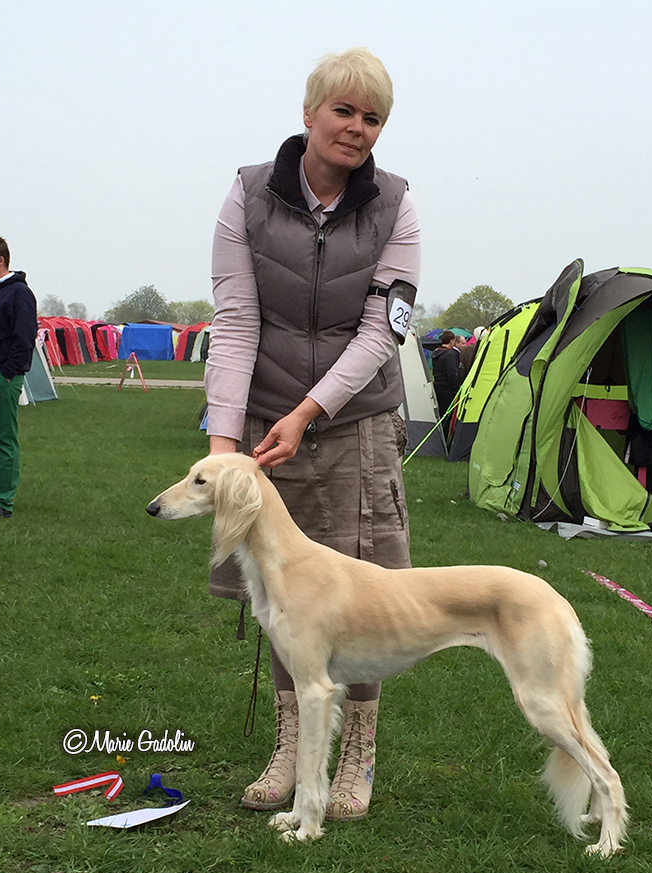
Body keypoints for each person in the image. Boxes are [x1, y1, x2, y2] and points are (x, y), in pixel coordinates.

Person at [204, 47, 420, 821]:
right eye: (345, 111)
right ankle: (294, 745)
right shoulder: (247, 195)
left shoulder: (395, 204)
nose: (358, 129)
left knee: (366, 592)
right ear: (309, 112)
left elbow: (379, 332)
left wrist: (309, 411)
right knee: (284, 594)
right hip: (266, 426)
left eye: (373, 118)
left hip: (356, 420)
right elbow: (235, 319)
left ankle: (357, 751)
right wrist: (224, 444)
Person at [0, 235, 38, 519]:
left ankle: (1, 501)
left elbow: (25, 336)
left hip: (1, 378)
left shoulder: (18, 293)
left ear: (0, 260)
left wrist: (8, 373)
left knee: (3, 440)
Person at [431, 330, 461, 421]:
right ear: (451, 341)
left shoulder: (436, 353)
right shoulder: (449, 354)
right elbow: (452, 373)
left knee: (441, 413)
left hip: (437, 386)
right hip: (447, 389)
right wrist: (456, 388)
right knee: (448, 415)